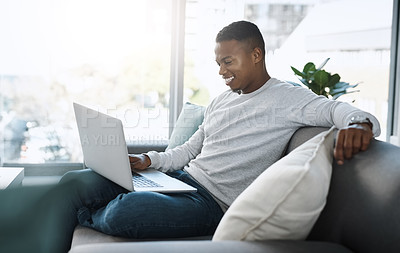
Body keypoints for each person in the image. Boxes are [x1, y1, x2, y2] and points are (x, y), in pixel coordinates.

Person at [0, 20, 380, 253]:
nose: (221, 71)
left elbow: (337, 110)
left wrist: (359, 125)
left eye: (227, 62)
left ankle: (92, 212)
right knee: (75, 180)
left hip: (211, 205)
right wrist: (147, 162)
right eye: (217, 63)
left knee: (126, 212)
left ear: (257, 55)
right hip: (181, 181)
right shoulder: (221, 100)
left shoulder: (288, 97)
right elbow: (187, 150)